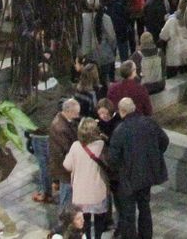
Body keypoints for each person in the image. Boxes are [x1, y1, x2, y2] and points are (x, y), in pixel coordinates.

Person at [104, 97, 169, 239]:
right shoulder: (150, 123)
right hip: (147, 176)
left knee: (128, 214)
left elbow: (113, 158)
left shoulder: (120, 131)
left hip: (128, 178)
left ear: (122, 111)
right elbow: (164, 141)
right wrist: (154, 158)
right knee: (145, 208)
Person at [61, 118, 112, 239]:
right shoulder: (101, 145)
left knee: (85, 220)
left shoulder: (75, 146)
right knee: (99, 219)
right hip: (97, 191)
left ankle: (87, 237)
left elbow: (66, 166)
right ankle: (98, 237)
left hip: (80, 193)